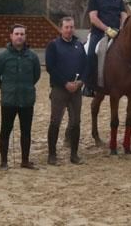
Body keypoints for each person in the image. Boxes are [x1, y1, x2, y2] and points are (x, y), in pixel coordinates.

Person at [0, 24, 41, 170]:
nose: (19, 36)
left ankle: (25, 160)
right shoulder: (2, 57)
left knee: (26, 131)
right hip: (9, 100)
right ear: (11, 36)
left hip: (27, 100)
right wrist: (6, 87)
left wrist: (25, 87)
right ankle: (4, 162)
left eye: (22, 34)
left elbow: (36, 76)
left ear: (25, 37)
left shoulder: (32, 57)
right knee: (5, 131)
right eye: (17, 34)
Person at [44, 16, 86, 166]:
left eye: (71, 27)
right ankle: (52, 155)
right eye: (66, 27)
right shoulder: (53, 45)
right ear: (61, 28)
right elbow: (50, 67)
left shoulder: (79, 45)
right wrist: (64, 83)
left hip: (76, 90)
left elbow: (86, 66)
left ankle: (74, 154)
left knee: (76, 122)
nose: (69, 30)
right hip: (60, 89)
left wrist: (81, 81)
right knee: (55, 121)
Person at [83, 0, 128, 97]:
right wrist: (107, 29)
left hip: (117, 32)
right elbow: (93, 18)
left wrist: (121, 28)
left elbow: (124, 15)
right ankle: (89, 85)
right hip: (99, 33)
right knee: (90, 54)